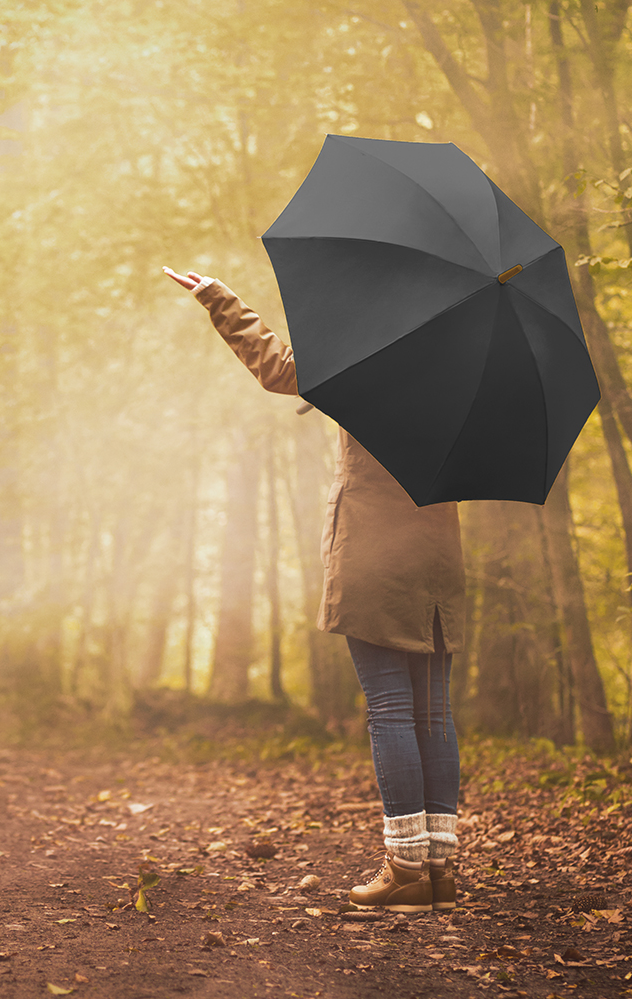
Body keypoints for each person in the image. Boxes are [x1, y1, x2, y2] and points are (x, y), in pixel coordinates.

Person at [164, 267, 465, 914]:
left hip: (377, 556)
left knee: (389, 708)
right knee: (432, 712)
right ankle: (438, 870)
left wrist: (216, 296)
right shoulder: (458, 370)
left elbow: (276, 367)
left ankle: (406, 870)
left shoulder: (367, 355)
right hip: (439, 556)